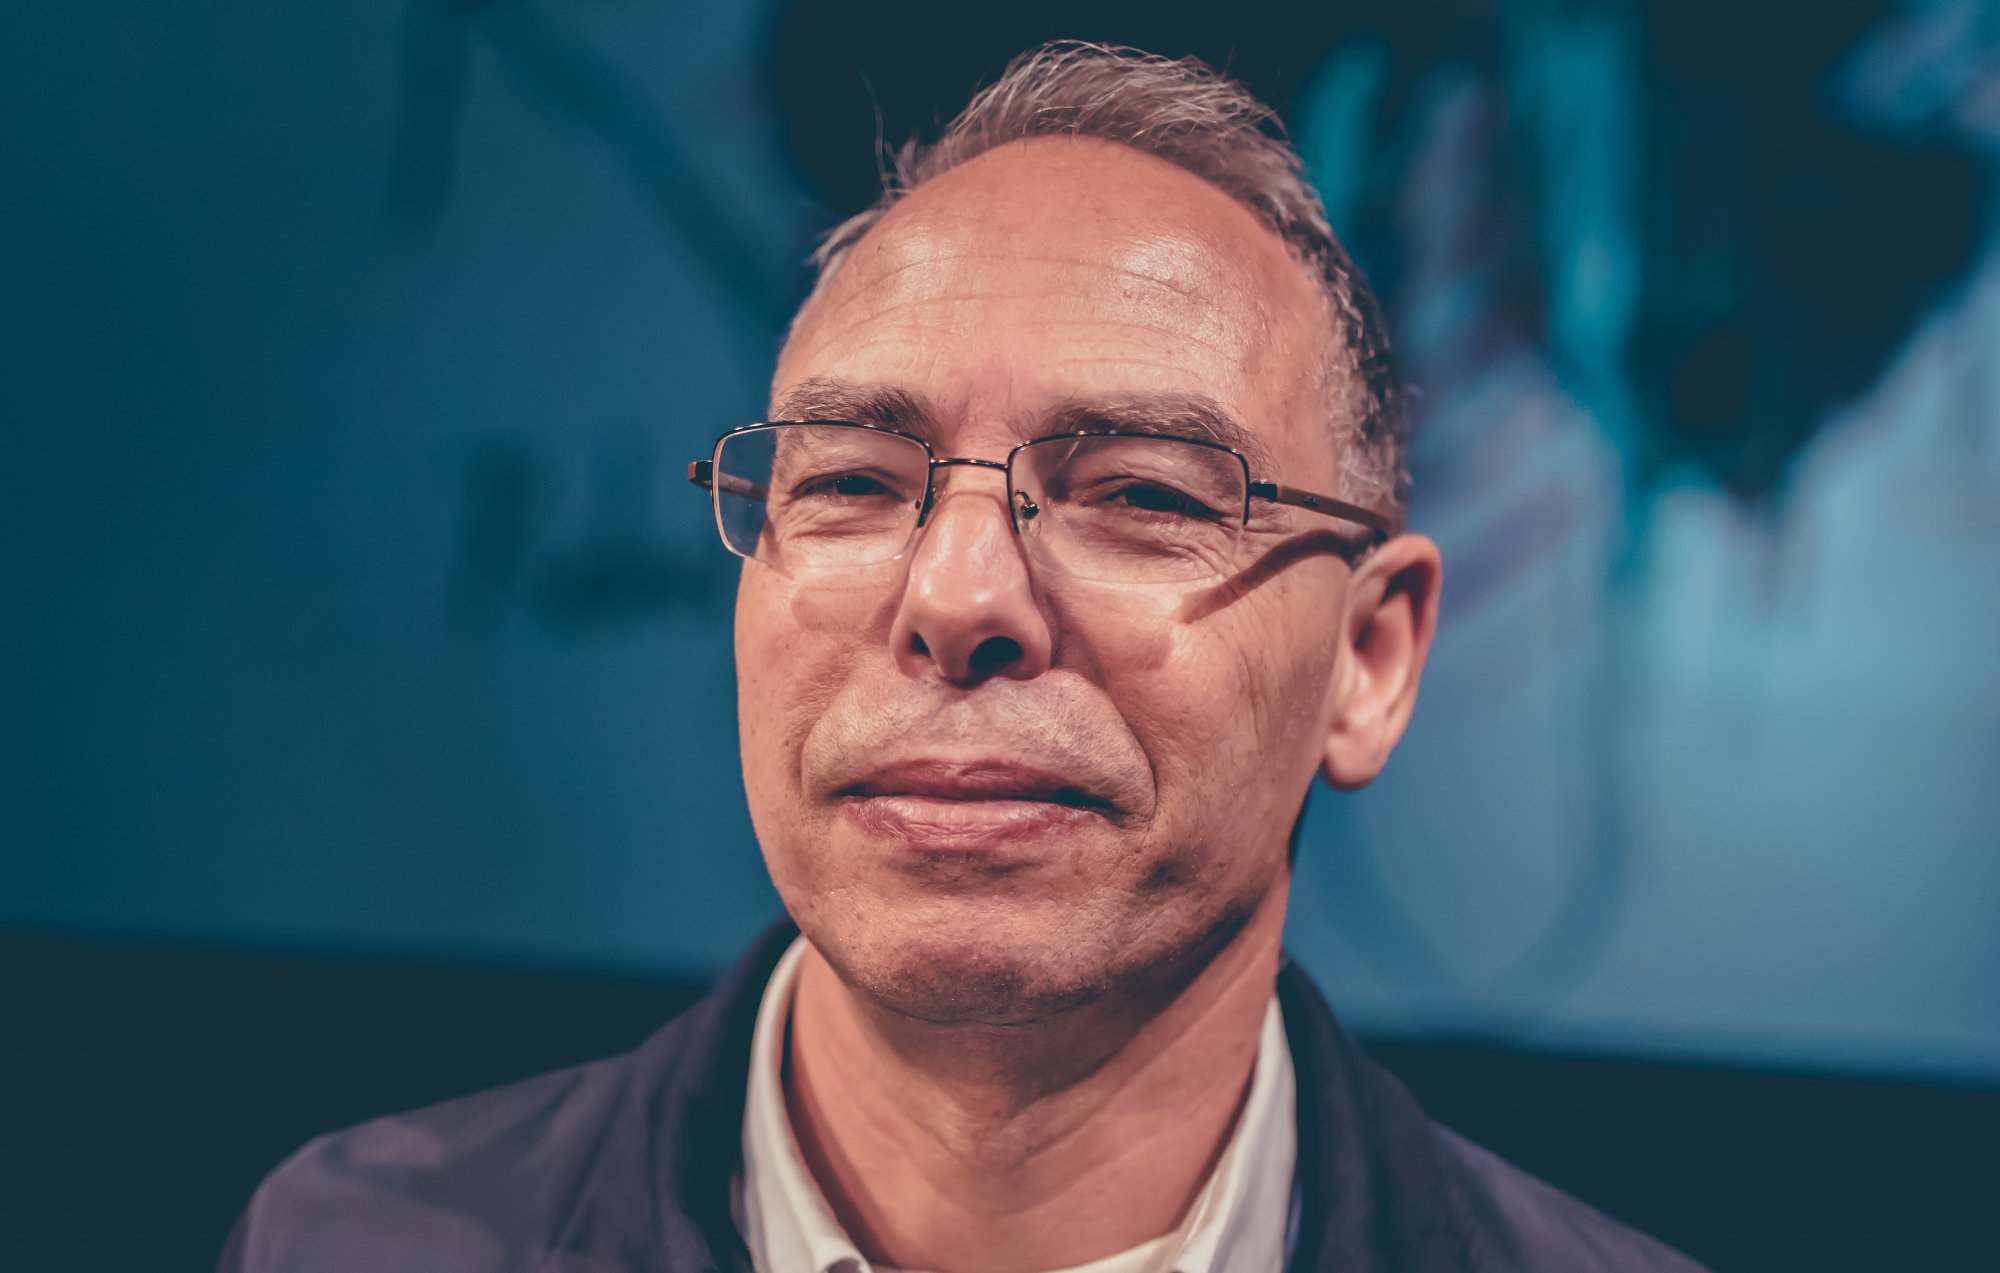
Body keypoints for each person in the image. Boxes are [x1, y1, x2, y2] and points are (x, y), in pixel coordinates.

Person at [220, 42, 1707, 1273]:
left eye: (1142, 492)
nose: (959, 592)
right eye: (855, 482)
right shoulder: (352, 1243)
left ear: (1368, 657)